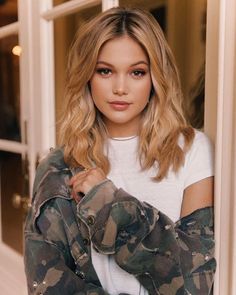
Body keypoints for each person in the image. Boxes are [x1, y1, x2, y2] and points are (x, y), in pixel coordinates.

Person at [24, 7, 216, 295]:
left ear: (155, 78)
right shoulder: (57, 168)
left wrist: (109, 205)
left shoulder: (191, 151)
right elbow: (47, 287)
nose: (120, 88)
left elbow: (195, 283)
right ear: (87, 76)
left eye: (137, 72)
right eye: (105, 71)